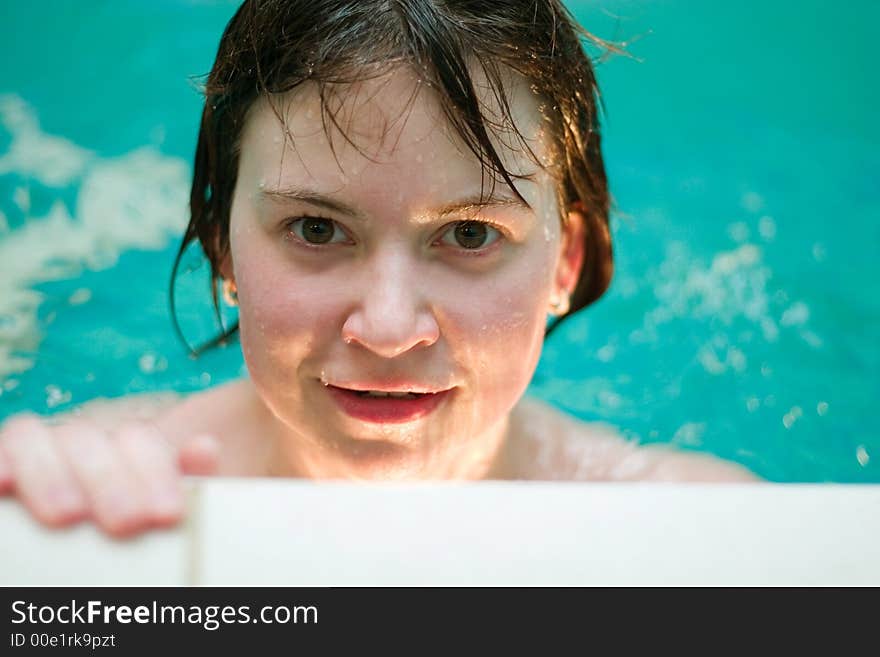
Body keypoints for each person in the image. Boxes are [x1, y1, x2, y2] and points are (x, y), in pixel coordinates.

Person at [0, 0, 757, 538]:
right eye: (317, 227)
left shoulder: (691, 523)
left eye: (469, 233)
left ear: (566, 262)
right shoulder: (97, 479)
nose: (389, 330)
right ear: (221, 245)